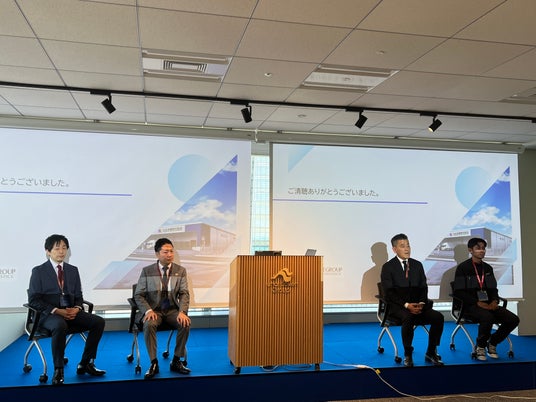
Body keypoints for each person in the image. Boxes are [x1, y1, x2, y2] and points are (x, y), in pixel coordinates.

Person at [28, 234, 106, 385]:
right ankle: (59, 369)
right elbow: (34, 300)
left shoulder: (72, 270)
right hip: (47, 315)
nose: (61, 251)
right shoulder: (38, 271)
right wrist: (57, 311)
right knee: (59, 324)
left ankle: (85, 363)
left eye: (64, 248)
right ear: (48, 251)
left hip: (70, 312)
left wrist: (77, 308)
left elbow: (78, 295)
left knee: (98, 322)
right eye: (57, 248)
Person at [380, 233, 444, 367]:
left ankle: (431, 352)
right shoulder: (388, 267)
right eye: (402, 246)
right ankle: (408, 354)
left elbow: (423, 287)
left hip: (418, 306)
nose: (407, 249)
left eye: (408, 245)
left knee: (438, 317)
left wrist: (421, 303)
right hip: (398, 307)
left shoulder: (417, 265)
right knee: (408, 317)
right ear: (394, 249)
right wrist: (407, 305)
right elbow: (389, 293)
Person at [453, 237, 519, 361]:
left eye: (483, 248)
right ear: (470, 250)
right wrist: (476, 302)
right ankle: (481, 347)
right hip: (470, 306)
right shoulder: (463, 268)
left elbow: (493, 289)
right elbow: (458, 292)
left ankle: (492, 342)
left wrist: (494, 301)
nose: (482, 250)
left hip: (489, 304)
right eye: (478, 248)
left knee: (513, 319)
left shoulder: (487, 268)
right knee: (487, 317)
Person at [134, 238, 191, 379]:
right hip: (155, 311)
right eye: (165, 252)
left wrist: (182, 312)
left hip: (172, 311)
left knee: (185, 323)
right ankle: (154, 363)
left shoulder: (180, 271)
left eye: (171, 251)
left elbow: (184, 293)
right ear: (157, 254)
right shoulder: (147, 271)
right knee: (149, 324)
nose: (169, 254)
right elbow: (139, 295)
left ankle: (176, 360)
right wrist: (148, 311)